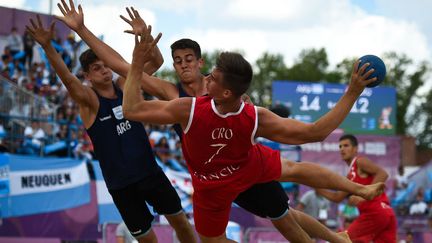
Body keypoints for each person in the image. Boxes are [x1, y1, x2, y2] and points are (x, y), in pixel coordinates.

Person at [53, 3, 360, 243]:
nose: (184, 64)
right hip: (212, 179)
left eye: (189, 59)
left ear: (201, 63)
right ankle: (338, 237)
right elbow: (121, 64)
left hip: (243, 167)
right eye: (178, 61)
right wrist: (82, 30)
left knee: (282, 213)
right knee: (261, 220)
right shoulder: (173, 94)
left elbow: (255, 115)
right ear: (174, 65)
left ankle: (337, 237)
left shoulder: (223, 87)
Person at [123, 31, 385, 242]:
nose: (207, 81)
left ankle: (359, 192)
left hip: (226, 176)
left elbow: (132, 109)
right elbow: (315, 132)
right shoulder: (245, 114)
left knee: (289, 192)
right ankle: (357, 194)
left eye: (212, 78)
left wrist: (353, 91)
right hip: (223, 180)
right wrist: (352, 92)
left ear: (225, 93)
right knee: (294, 173)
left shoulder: (203, 110)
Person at [25, 14, 197, 243]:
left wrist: (144, 36)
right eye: (97, 68)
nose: (105, 70)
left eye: (106, 66)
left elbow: (156, 62)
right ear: (87, 76)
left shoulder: (127, 85)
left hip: (150, 174)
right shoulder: (89, 100)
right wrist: (47, 45)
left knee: (182, 225)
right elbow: (67, 78)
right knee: (148, 241)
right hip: (121, 186)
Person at [317, 134, 397, 243]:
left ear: (355, 149)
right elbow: (337, 197)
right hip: (387, 213)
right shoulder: (350, 176)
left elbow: (383, 174)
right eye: (340, 146)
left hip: (375, 212)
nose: (342, 149)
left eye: (346, 145)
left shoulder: (360, 161)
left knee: (342, 240)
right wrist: (317, 188)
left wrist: (363, 195)